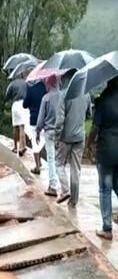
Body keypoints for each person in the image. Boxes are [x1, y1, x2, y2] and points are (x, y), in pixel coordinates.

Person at [87, 77, 118, 240]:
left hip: (106, 152)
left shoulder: (103, 100)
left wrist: (88, 144)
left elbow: (94, 128)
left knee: (105, 189)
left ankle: (107, 228)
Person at [55, 73, 92, 208]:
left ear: (66, 79)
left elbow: (59, 120)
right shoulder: (86, 94)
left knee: (58, 164)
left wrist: (56, 138)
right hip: (80, 137)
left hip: (66, 137)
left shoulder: (63, 94)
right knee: (76, 169)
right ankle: (74, 201)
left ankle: (65, 190)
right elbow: (89, 114)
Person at [36, 75, 61, 197]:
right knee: (59, 160)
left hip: (49, 131)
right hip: (61, 132)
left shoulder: (46, 98)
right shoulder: (63, 96)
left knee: (51, 158)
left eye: (46, 83)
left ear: (49, 84)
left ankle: (53, 186)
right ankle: (64, 187)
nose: (45, 85)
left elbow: (41, 119)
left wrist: (37, 131)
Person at [23, 80, 47, 174]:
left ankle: (37, 166)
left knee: (35, 142)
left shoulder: (31, 90)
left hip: (34, 120)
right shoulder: (46, 90)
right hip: (45, 120)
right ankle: (40, 162)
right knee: (41, 141)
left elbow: (25, 105)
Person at [6, 75, 29, 156]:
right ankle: (22, 147)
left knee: (15, 126)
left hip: (15, 104)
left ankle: (15, 147)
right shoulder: (26, 83)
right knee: (22, 126)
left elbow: (7, 95)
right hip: (24, 104)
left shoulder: (12, 84)